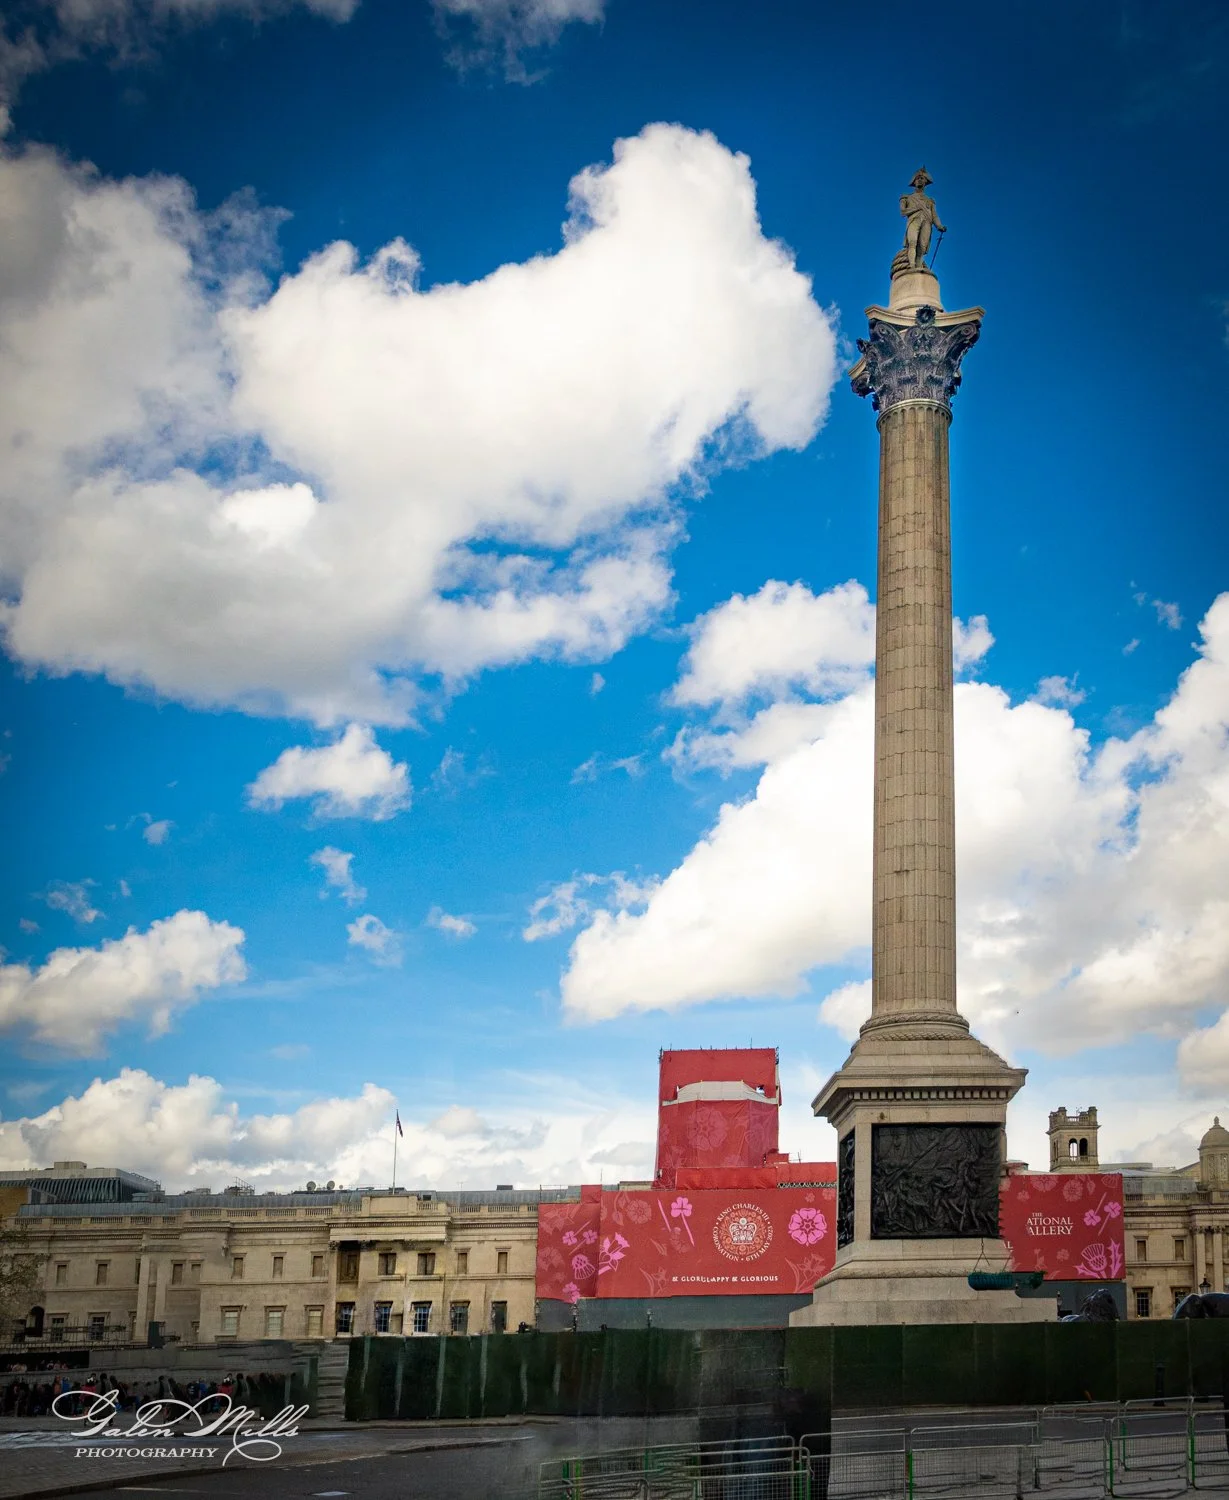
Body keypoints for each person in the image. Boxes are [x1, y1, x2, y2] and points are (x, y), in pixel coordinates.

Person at [897, 168, 946, 272]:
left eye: (922, 178)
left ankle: (918, 268)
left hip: (927, 222)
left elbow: (934, 216)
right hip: (913, 220)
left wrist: (939, 226)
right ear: (914, 181)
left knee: (922, 247)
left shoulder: (930, 200)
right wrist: (917, 208)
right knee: (912, 242)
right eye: (918, 178)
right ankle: (911, 265)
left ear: (925, 182)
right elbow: (903, 212)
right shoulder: (907, 197)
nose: (920, 180)